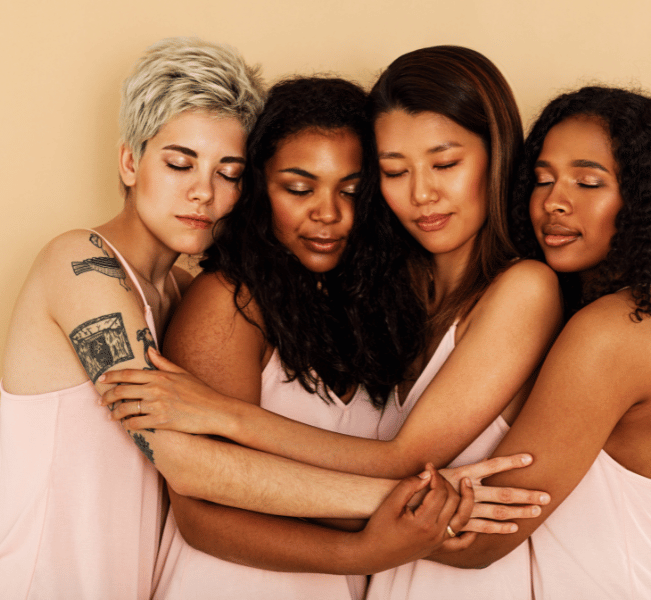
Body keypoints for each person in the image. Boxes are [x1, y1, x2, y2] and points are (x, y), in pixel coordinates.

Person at [104, 46, 560, 599]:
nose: (328, 212)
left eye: (352, 190)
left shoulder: (398, 303)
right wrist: (374, 541)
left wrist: (226, 416)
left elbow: (400, 460)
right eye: (298, 188)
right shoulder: (228, 302)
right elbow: (201, 512)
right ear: (255, 189)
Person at [423, 86, 651, 598]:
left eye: (587, 181)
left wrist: (305, 502)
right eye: (542, 180)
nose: (555, 201)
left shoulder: (621, 329)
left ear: (648, 201)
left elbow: (476, 539)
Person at [0, 37, 265, 599]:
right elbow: (187, 463)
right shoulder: (79, 264)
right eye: (180, 163)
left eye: (229, 172)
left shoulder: (184, 293)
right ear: (130, 162)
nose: (204, 191)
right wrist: (385, 493)